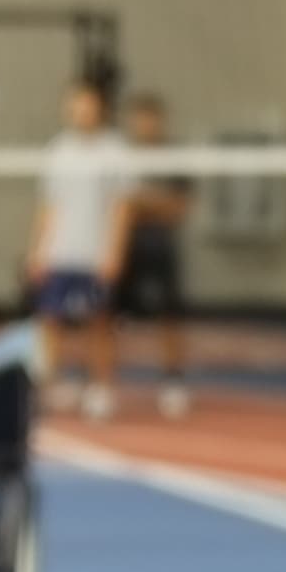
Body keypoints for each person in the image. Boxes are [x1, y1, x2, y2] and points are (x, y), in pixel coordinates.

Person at [26, 78, 130, 421]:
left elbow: (122, 207)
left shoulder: (116, 151)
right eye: (75, 105)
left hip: (95, 252)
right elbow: (49, 206)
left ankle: (101, 388)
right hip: (60, 253)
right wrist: (38, 250)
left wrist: (114, 251)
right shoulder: (58, 151)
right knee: (50, 320)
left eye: (88, 105)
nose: (82, 112)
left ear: (99, 108)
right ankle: (49, 386)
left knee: (99, 321)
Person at [117, 91, 196, 420]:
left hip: (161, 246)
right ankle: (101, 382)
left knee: (169, 316)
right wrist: (138, 207)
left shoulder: (174, 159)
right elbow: (118, 206)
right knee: (105, 315)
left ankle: (173, 379)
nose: (146, 124)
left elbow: (178, 207)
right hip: (123, 247)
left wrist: (142, 205)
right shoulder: (121, 158)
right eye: (140, 118)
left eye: (152, 118)